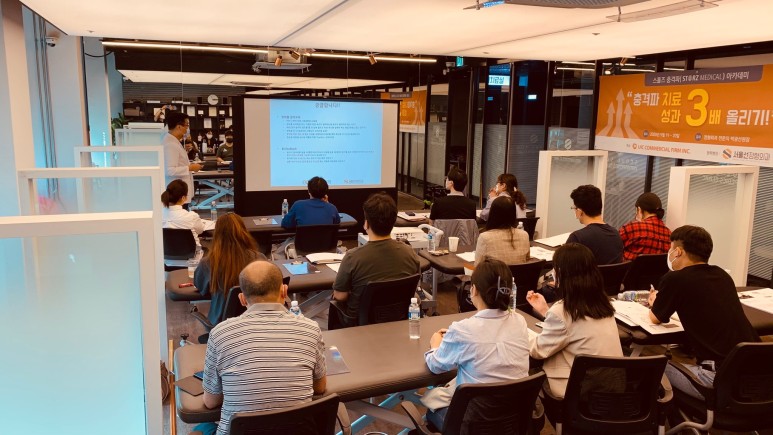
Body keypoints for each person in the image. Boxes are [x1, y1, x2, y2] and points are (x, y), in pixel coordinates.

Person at [200, 261, 326, 435]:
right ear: (284, 291)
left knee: (202, 428)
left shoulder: (220, 334)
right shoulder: (310, 329)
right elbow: (320, 387)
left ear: (242, 299)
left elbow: (210, 402)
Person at [648, 225, 759, 400]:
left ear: (678, 252)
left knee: (652, 367)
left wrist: (654, 301)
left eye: (670, 249)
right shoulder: (722, 275)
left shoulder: (676, 278)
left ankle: (674, 416)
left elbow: (655, 318)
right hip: (756, 375)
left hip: (718, 380)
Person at [422, 258, 530, 429]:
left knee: (432, 410)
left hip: (471, 426)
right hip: (512, 423)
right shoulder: (520, 322)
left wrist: (436, 344)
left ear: (474, 290)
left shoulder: (463, 330)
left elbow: (435, 366)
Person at [526, 243, 623, 401]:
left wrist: (522, 335)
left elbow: (538, 350)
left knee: (528, 372)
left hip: (577, 391)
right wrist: (545, 311)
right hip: (611, 388)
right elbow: (575, 329)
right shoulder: (603, 303)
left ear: (562, 273)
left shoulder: (563, 310)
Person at [331, 192, 420, 328]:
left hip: (359, 324)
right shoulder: (410, 253)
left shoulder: (352, 257)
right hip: (398, 319)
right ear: (393, 222)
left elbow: (339, 296)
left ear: (366, 224)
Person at [194, 213, 266, 326]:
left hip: (221, 326)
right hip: (255, 323)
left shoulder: (207, 263)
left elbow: (200, 286)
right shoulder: (259, 258)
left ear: (217, 235)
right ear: (244, 232)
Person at [566, 184, 623, 265]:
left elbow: (565, 269)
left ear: (579, 211)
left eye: (574, 208)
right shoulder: (616, 234)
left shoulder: (577, 238)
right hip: (612, 274)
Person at [475, 196, 529, 265]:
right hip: (520, 272)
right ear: (513, 214)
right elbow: (527, 261)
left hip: (495, 272)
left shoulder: (485, 238)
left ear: (492, 214)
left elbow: (477, 266)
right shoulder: (524, 235)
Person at [163, 112, 201, 208]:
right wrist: (190, 168)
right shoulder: (170, 144)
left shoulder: (174, 141)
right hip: (176, 193)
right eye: (187, 125)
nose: (187, 129)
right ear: (179, 126)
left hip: (180, 192)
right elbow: (169, 170)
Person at [619, 192, 671, 261]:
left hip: (630, 268)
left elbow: (612, 245)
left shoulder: (631, 228)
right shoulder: (669, 234)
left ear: (639, 209)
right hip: (658, 268)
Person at [161, 179, 213, 247]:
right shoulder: (191, 216)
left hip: (166, 253)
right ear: (183, 198)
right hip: (192, 253)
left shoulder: (158, 216)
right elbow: (200, 230)